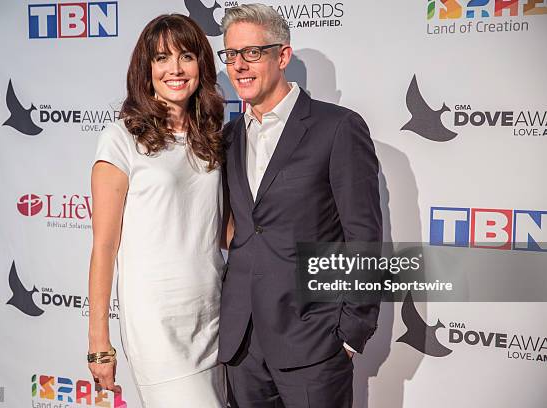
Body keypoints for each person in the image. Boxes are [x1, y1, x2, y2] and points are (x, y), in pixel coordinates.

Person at [217, 4, 383, 408]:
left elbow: (363, 237)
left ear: (283, 56)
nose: (240, 65)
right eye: (232, 54)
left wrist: (350, 334)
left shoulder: (338, 128)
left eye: (253, 52)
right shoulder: (228, 136)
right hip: (242, 348)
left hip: (314, 344)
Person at [87, 14, 226, 407]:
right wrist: (99, 342)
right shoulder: (120, 140)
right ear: (145, 70)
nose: (175, 69)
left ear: (202, 65)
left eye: (186, 56)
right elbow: (104, 248)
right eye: (162, 58)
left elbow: (220, 226)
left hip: (213, 315)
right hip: (157, 323)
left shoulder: (211, 137)